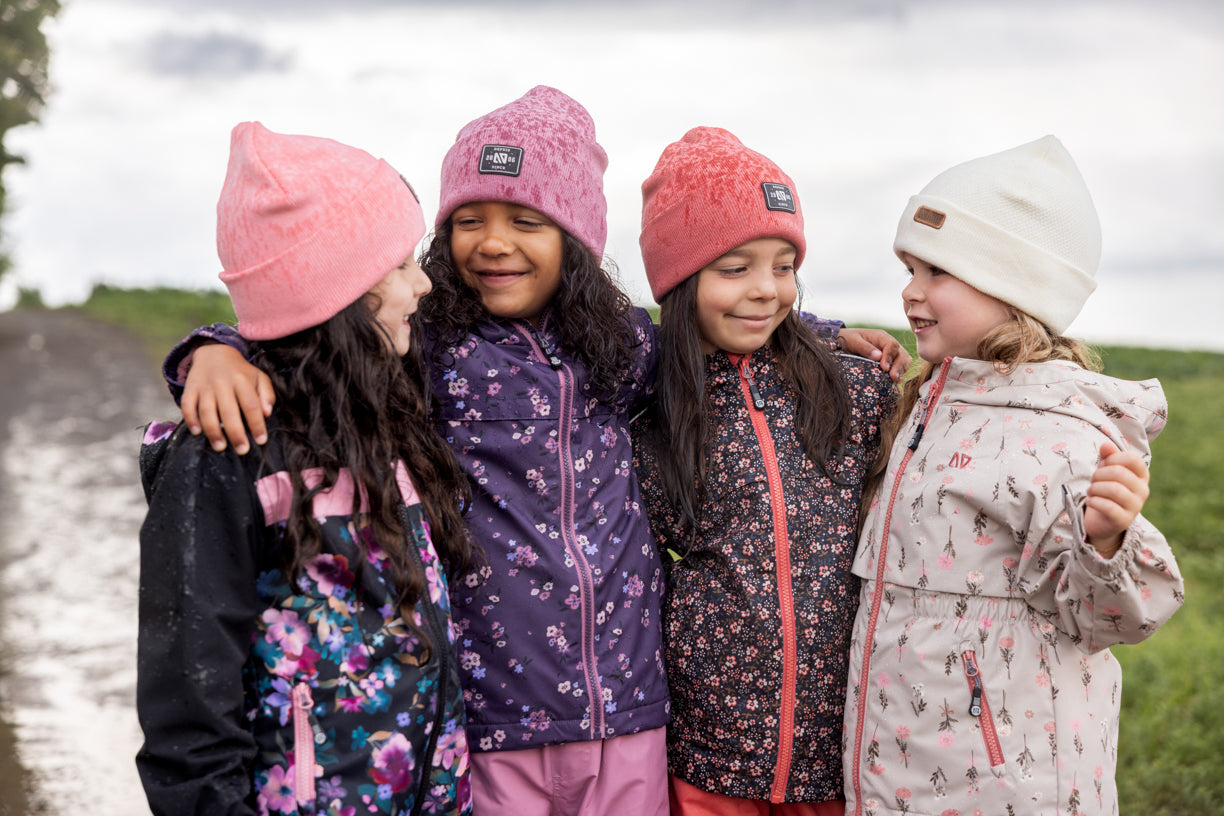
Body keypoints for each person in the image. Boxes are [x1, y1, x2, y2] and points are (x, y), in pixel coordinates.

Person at [160, 88, 905, 815]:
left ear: (575, 238)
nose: (493, 242)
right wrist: (214, 350)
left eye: (526, 221)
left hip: (629, 705)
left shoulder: (623, 347)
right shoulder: (426, 346)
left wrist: (821, 333)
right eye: (469, 220)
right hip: (496, 709)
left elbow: (710, 323)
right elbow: (318, 330)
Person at [136, 123, 475, 815]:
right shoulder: (229, 453)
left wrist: (211, 343)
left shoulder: (390, 415)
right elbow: (188, 697)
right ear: (335, 292)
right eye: (400, 265)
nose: (423, 283)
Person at [842, 136, 1184, 816]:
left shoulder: (1057, 431)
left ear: (1011, 285)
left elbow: (1118, 615)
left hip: (1002, 785)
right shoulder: (929, 404)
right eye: (909, 268)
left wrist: (1106, 542)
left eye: (937, 271)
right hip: (907, 767)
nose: (910, 290)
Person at [631, 126, 900, 815]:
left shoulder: (853, 389)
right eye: (734, 268)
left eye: (783, 266)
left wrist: (827, 334)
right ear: (679, 280)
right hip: (708, 757)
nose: (765, 290)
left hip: (837, 756)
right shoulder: (650, 410)